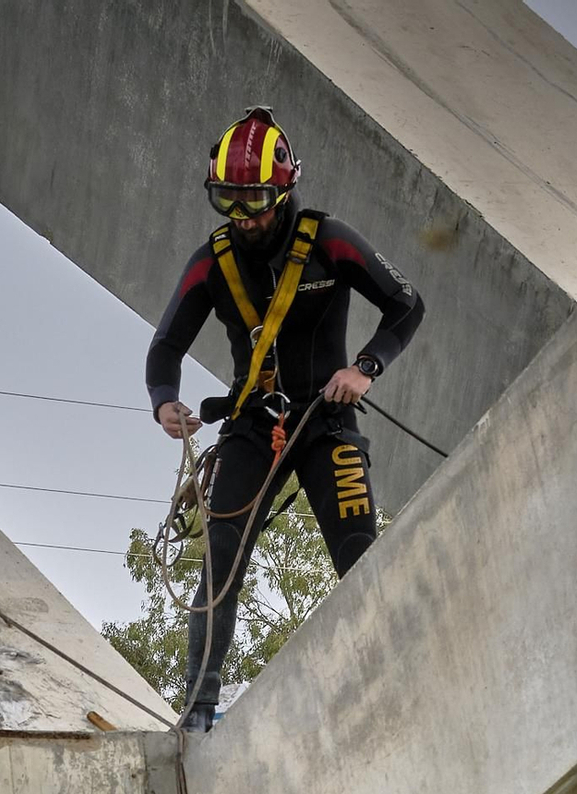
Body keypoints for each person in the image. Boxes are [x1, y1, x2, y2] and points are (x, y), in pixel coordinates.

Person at [145, 107, 426, 729]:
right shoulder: (211, 260)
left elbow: (406, 305)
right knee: (220, 565)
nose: (247, 219)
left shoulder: (330, 240)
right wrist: (165, 400)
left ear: (287, 187)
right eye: (230, 203)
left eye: (258, 202)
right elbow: (165, 348)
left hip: (327, 421)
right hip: (251, 426)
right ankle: (197, 712)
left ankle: (399, 693)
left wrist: (366, 368)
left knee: (360, 551)